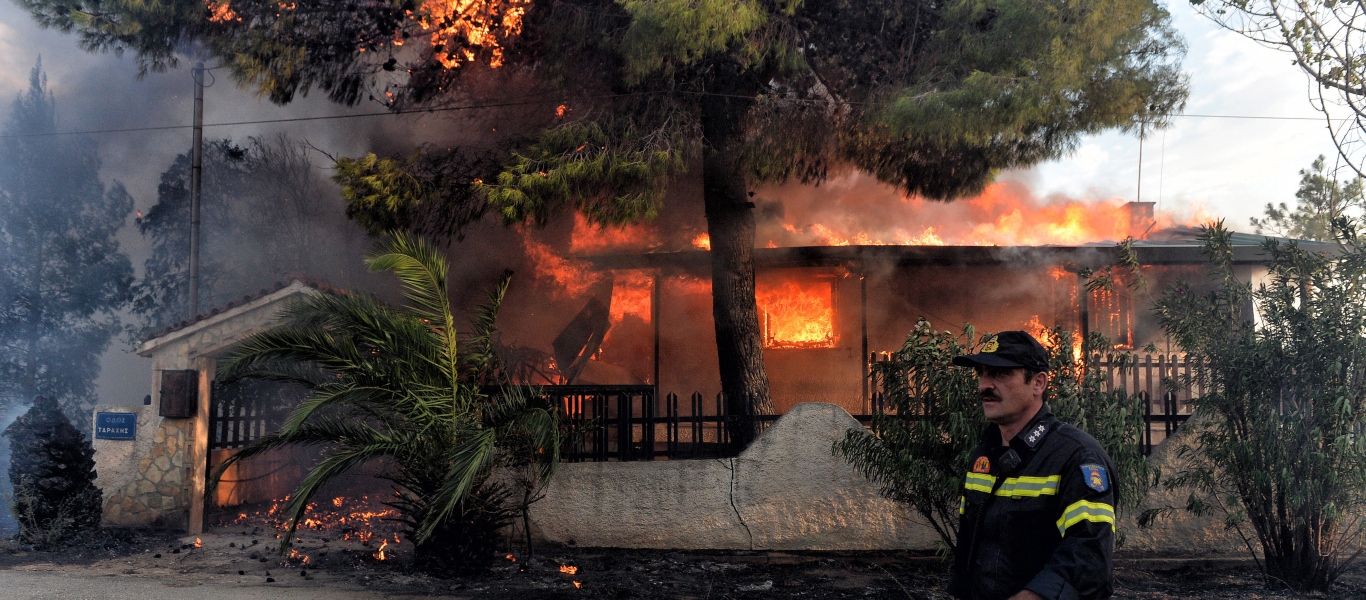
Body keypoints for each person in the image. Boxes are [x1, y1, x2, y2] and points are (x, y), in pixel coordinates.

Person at [947, 331, 1117, 600]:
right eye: (982, 374)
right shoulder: (985, 455)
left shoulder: (1077, 456)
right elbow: (972, 547)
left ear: (1038, 383)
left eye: (1000, 374)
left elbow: (1088, 555)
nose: (983, 385)